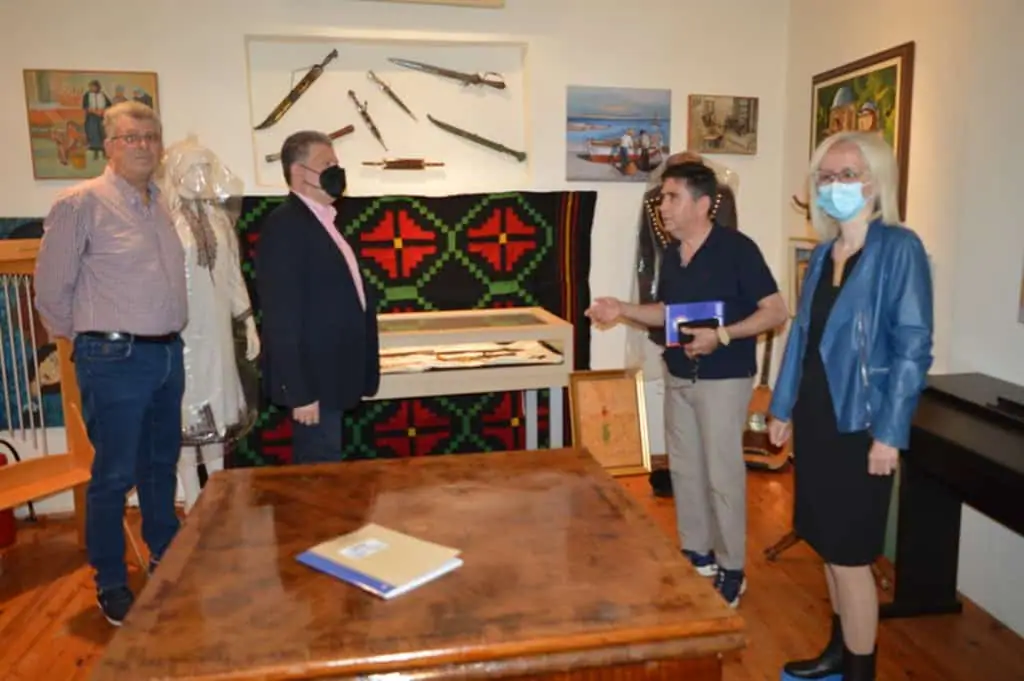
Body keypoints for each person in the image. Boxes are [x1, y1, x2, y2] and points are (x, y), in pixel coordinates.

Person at [768, 131, 933, 681]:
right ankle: (838, 653)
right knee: (826, 542)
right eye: (826, 176)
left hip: (863, 424)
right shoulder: (824, 253)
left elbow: (913, 347)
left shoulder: (899, 248)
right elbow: (804, 336)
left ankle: (861, 671)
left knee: (852, 556)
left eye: (848, 174)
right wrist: (782, 406)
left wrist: (890, 433)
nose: (834, 185)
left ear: (875, 182)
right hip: (818, 417)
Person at [587, 162, 788, 607]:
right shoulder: (673, 255)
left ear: (702, 204)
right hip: (679, 374)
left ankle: (732, 569)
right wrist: (621, 309)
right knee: (685, 471)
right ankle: (698, 556)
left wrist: (724, 335)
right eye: (662, 197)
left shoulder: (738, 249)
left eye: (672, 197)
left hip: (724, 379)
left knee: (722, 475)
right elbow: (667, 312)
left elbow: (776, 311)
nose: (662, 206)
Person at [34, 101, 187, 626]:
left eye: (150, 137)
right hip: (114, 356)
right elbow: (50, 291)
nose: (143, 145)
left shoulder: (159, 204)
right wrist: (90, 342)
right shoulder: (80, 203)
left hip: (167, 353)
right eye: (130, 137)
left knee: (160, 465)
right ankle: (111, 579)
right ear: (108, 146)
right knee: (114, 474)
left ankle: (165, 553)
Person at [255, 131, 380, 464]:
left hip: (334, 375)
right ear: (299, 172)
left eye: (336, 163)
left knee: (329, 470)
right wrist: (299, 393)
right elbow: (281, 315)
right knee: (318, 474)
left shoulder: (324, 221)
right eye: (326, 165)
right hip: (314, 382)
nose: (336, 171)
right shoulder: (286, 226)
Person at [160, 136, 261, 510]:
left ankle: (218, 495)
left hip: (217, 334)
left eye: (206, 168)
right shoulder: (165, 223)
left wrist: (247, 322)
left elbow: (233, 276)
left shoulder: (220, 221)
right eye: (194, 168)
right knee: (185, 417)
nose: (201, 175)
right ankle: (191, 499)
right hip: (181, 335)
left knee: (219, 411)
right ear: (177, 173)